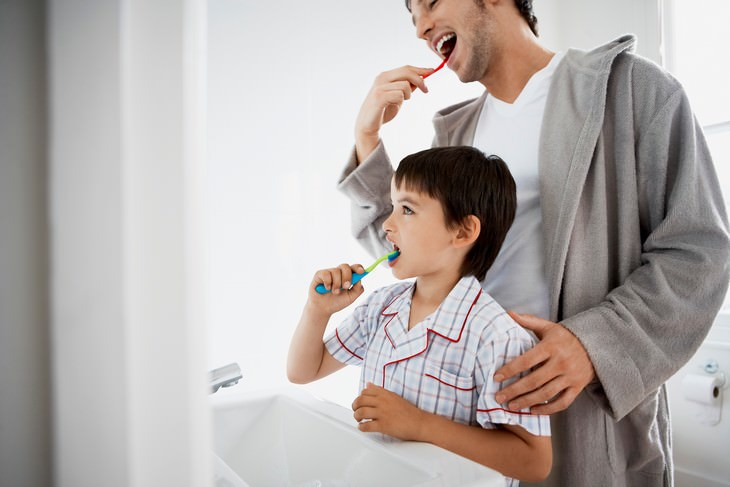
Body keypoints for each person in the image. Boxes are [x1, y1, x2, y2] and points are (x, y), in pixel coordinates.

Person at [335, 0, 730, 486]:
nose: (420, 27)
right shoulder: (452, 136)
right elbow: (408, 254)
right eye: (411, 15)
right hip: (468, 428)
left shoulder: (635, 91)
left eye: (430, 2)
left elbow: (698, 252)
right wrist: (366, 136)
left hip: (583, 420)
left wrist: (594, 345)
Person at [288, 146, 552, 485]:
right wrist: (316, 311)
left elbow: (534, 461)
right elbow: (302, 371)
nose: (387, 224)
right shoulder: (381, 307)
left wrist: (419, 424)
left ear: (462, 232)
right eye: (393, 207)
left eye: (407, 210)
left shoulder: (497, 337)